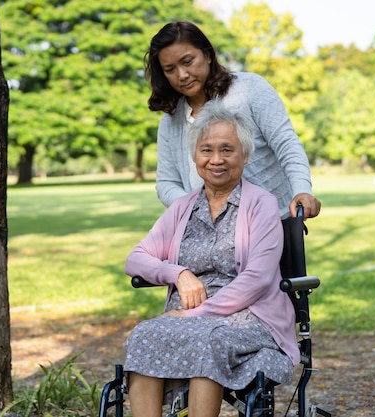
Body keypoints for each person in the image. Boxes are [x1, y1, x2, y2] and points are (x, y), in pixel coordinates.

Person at [123, 100, 298, 417]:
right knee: (144, 334)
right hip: (186, 316)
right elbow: (135, 259)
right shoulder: (183, 207)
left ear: (245, 155)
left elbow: (256, 280)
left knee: (208, 338)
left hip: (249, 315)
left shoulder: (262, 205)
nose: (216, 159)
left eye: (227, 150)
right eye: (207, 150)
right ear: (195, 157)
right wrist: (178, 274)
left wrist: (196, 315)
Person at [145, 20, 321, 220]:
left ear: (208, 55)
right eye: (170, 69)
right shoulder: (170, 121)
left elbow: (287, 144)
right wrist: (199, 209)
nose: (182, 75)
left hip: (273, 223)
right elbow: (166, 183)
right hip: (209, 235)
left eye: (187, 62)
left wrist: (302, 190)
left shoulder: (251, 88)